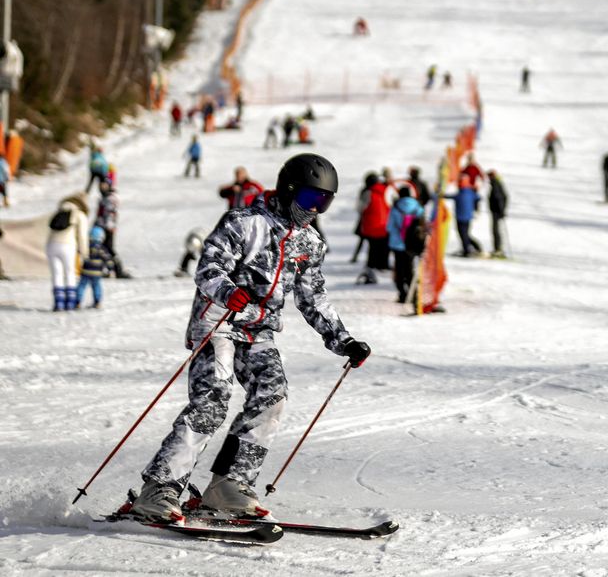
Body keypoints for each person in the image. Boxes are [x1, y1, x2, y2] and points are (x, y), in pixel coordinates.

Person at [129, 154, 371, 523]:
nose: (314, 209)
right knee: (213, 398)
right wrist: (228, 292)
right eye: (310, 199)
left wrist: (344, 340)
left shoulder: (310, 242)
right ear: (289, 191)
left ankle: (229, 484)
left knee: (272, 395)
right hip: (220, 322)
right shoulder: (244, 222)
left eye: (324, 202)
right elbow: (209, 265)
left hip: (258, 330)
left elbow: (312, 296)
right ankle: (160, 488)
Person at [47, 194, 89, 311]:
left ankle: (58, 303)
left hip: (51, 245)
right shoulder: (79, 215)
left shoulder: (58, 212)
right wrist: (85, 253)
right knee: (70, 273)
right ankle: (70, 303)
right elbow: (82, 236)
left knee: (57, 274)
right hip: (68, 245)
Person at [356, 172, 395, 281]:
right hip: (385, 225)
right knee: (384, 246)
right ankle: (383, 264)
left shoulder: (368, 193)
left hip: (370, 225)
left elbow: (360, 208)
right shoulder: (386, 190)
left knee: (373, 247)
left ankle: (372, 265)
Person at [387, 190, 425, 303]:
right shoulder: (418, 207)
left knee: (399, 269)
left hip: (397, 244)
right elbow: (423, 224)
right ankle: (413, 293)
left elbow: (389, 227)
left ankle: (402, 294)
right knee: (410, 268)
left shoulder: (395, 208)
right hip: (412, 244)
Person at [75, 226, 116, 308]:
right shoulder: (102, 249)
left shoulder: (87, 246)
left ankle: (78, 301)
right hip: (97, 272)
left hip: (86, 271)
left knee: (82, 285)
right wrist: (111, 269)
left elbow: (80, 253)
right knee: (96, 286)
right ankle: (97, 302)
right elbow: (108, 259)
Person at [95, 181, 129, 278]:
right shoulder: (104, 197)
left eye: (105, 186)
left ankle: (118, 270)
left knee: (109, 249)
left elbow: (111, 214)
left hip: (107, 228)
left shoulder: (110, 198)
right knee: (101, 249)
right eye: (101, 185)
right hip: (101, 227)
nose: (102, 188)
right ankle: (105, 269)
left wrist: (108, 226)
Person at [451, 175, 483, 256]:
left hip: (460, 217)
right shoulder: (470, 192)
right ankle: (474, 247)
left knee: (463, 234)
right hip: (468, 217)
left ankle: (467, 250)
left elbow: (451, 196)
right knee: (465, 234)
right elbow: (478, 197)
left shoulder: (460, 193)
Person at [487, 170, 508, 258]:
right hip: (497, 211)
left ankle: (498, 249)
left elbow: (499, 198)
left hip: (496, 212)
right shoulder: (498, 183)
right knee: (496, 230)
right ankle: (497, 248)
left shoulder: (495, 184)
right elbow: (505, 197)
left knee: (495, 230)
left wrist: (501, 210)